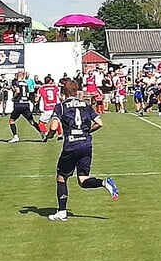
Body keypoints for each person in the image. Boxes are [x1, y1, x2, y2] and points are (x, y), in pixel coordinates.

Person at [45, 79, 118, 221]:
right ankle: (104, 183)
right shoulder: (85, 105)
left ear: (64, 92)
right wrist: (87, 132)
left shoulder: (61, 106)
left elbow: (53, 127)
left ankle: (62, 212)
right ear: (76, 91)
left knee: (61, 177)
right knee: (83, 179)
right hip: (86, 145)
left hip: (71, 146)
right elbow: (100, 123)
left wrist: (49, 135)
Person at [7, 72, 44, 143]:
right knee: (31, 121)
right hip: (26, 104)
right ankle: (42, 133)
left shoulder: (17, 83)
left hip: (19, 104)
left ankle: (15, 137)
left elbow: (17, 91)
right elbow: (29, 93)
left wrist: (14, 97)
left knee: (11, 120)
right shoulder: (26, 83)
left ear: (18, 76)